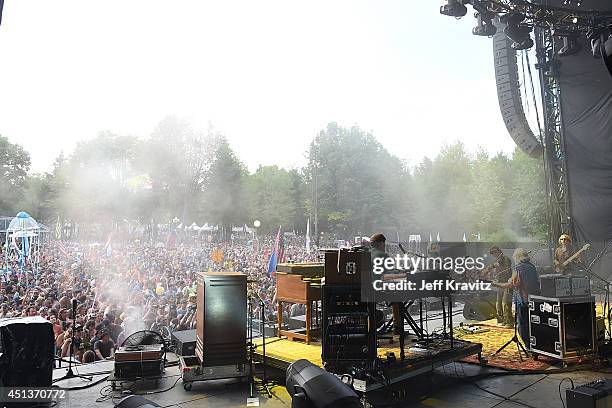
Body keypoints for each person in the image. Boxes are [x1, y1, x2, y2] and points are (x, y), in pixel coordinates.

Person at [492, 248, 540, 348]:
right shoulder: (532, 266)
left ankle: (528, 346)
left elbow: (511, 285)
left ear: (516, 257)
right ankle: (535, 344)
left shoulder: (518, 268)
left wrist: (496, 284)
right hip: (534, 299)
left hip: (522, 299)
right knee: (532, 322)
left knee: (522, 324)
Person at [483, 246, 513, 327]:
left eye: (494, 252)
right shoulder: (496, 260)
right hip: (499, 284)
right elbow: (489, 267)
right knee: (498, 304)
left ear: (498, 251)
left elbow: (507, 270)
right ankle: (502, 320)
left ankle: (509, 322)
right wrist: (484, 273)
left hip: (506, 283)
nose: (493, 254)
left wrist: (497, 266)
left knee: (506, 304)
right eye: (492, 253)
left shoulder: (506, 259)